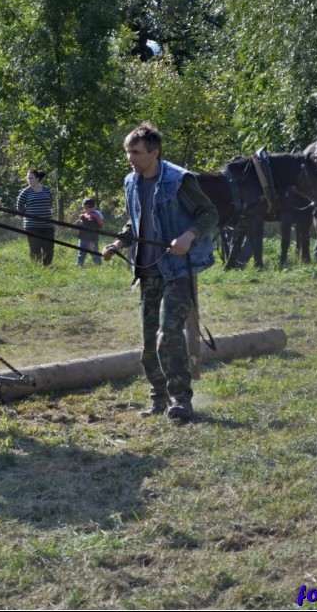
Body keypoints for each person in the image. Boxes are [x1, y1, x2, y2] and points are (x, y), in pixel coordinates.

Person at [103, 122, 218, 421]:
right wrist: (118, 243)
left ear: (154, 152)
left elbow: (209, 214)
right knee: (147, 340)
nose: (131, 158)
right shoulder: (131, 182)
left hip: (178, 269)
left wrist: (189, 236)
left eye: (137, 152)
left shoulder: (179, 181)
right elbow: (135, 221)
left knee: (168, 334)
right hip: (147, 270)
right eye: (128, 152)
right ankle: (159, 398)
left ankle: (182, 399)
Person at [16, 170, 56, 265]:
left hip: (47, 224)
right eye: (27, 178)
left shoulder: (47, 190)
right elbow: (19, 206)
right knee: (35, 247)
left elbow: (50, 203)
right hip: (32, 225)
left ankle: (47, 266)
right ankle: (36, 267)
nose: (28, 180)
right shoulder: (25, 192)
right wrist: (28, 214)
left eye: (31, 178)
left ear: (37, 179)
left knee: (49, 247)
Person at [76, 197, 104, 266]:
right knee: (81, 252)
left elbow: (91, 224)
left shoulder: (95, 215)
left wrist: (82, 218)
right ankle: (79, 265)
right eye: (84, 208)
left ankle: (98, 265)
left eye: (85, 208)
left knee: (94, 253)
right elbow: (82, 224)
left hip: (92, 238)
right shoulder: (85, 214)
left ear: (90, 207)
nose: (84, 210)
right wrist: (78, 222)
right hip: (82, 237)